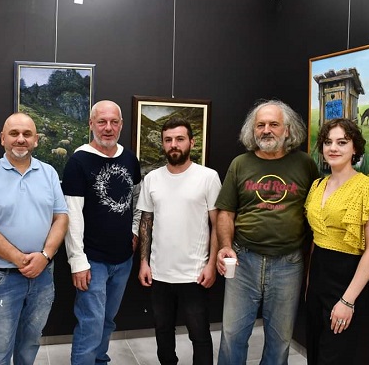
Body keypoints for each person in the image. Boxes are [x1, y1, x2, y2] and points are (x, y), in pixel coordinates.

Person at [215, 98, 320, 365]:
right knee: (232, 335)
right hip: (243, 262)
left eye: (274, 124)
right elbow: (226, 212)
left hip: (288, 264)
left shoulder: (305, 164)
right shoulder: (240, 163)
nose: (266, 130)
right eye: (260, 125)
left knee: (280, 340)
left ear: (287, 129)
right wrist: (225, 246)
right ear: (252, 130)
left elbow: (316, 213)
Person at [0, 112, 69, 365]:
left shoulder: (49, 173)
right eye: (14, 133)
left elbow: (61, 218)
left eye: (27, 134)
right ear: (2, 138)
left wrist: (44, 256)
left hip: (43, 274)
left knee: (30, 343)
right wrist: (20, 259)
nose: (21, 139)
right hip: (2, 276)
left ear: (36, 140)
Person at [304, 118, 369, 364]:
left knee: (334, 355)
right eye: (328, 142)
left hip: (346, 280)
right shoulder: (317, 185)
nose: (333, 148)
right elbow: (315, 239)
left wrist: (347, 300)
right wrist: (309, 284)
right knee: (315, 351)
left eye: (342, 142)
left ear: (355, 148)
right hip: (318, 279)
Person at [62, 100, 141, 365]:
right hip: (92, 260)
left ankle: (100, 361)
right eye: (102, 122)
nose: (108, 128)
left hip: (123, 259)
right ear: (91, 124)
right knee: (91, 322)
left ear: (121, 125)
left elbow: (137, 200)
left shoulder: (129, 159)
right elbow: (72, 215)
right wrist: (78, 261)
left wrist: (134, 231)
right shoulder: (78, 161)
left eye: (113, 122)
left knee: (107, 320)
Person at [137, 117, 222, 365]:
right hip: (159, 273)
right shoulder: (152, 179)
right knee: (163, 332)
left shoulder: (208, 177)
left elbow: (218, 224)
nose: (174, 144)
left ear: (191, 142)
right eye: (168, 140)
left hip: (194, 273)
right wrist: (143, 262)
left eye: (180, 139)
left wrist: (211, 264)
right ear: (163, 144)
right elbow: (146, 223)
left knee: (199, 334)